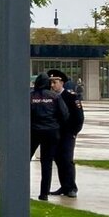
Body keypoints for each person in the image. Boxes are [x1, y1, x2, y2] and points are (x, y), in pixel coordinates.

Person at [29, 72, 69, 201]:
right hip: (51, 132)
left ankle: (21, 188)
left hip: (34, 131)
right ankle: (44, 193)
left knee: (24, 161)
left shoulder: (30, 97)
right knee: (47, 164)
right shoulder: (55, 97)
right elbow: (64, 114)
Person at [48, 69, 84, 198]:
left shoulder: (71, 97)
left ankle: (71, 187)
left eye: (55, 82)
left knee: (67, 160)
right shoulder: (50, 97)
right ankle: (64, 186)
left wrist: (73, 132)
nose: (52, 85)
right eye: (51, 82)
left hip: (67, 134)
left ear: (62, 83)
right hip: (55, 134)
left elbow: (79, 118)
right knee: (58, 160)